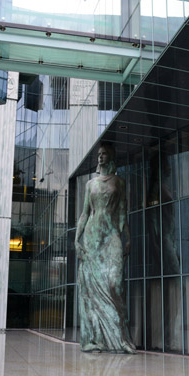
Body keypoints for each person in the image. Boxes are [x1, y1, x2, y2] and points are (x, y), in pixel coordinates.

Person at [75, 143, 136, 354]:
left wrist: (127, 237)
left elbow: (122, 213)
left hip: (111, 236)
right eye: (98, 154)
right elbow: (84, 213)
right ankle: (97, 338)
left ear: (110, 157)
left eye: (104, 154)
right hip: (92, 237)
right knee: (92, 290)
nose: (100, 157)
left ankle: (120, 338)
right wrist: (77, 240)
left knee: (114, 283)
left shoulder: (119, 182)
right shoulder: (90, 184)